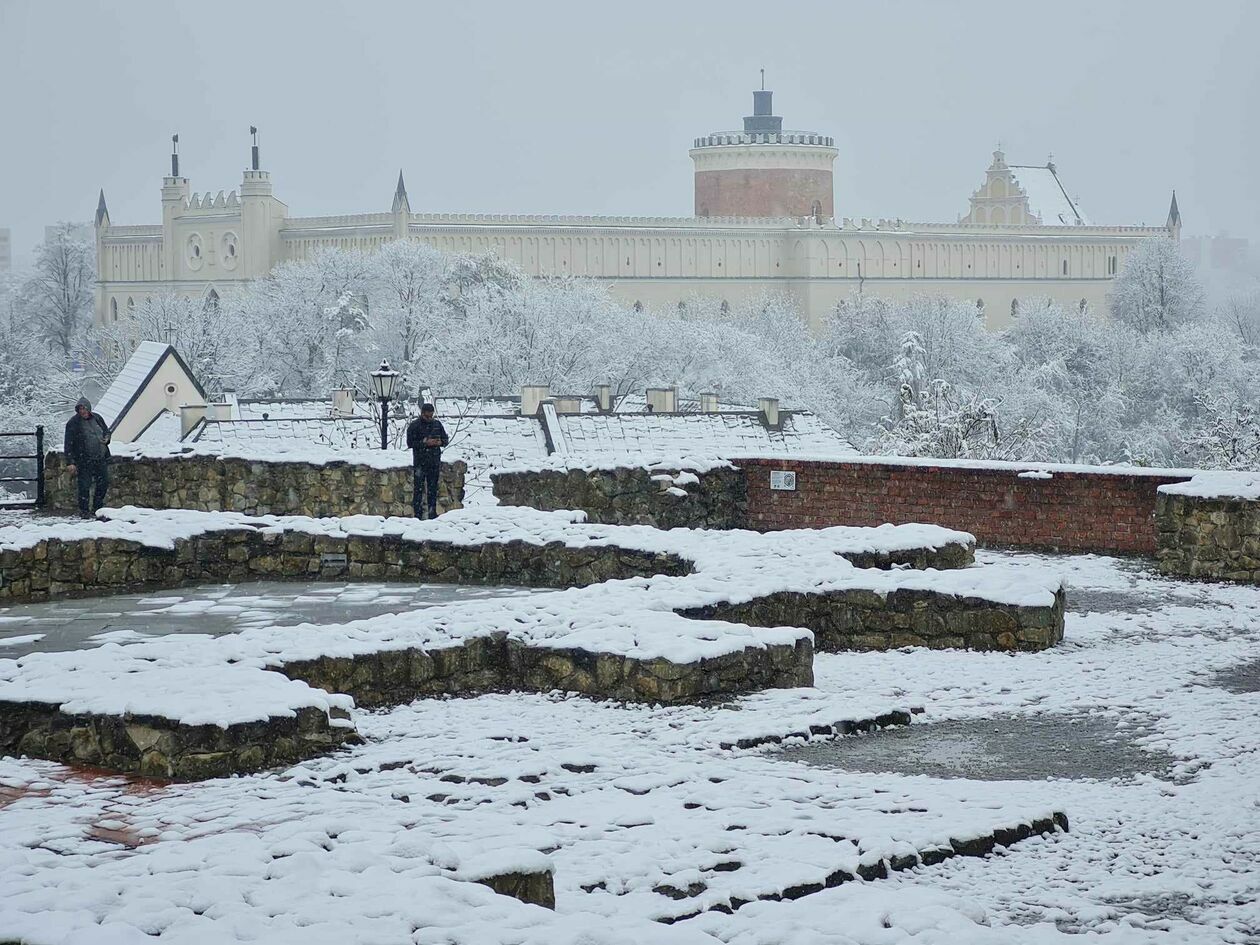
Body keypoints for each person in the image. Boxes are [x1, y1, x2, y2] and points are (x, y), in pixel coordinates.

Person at [64, 397, 111, 519]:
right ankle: (84, 511)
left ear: (89, 408)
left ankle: (97, 508)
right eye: (80, 409)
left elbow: (106, 431)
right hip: (84, 459)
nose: (82, 411)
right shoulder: (73, 423)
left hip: (100, 458)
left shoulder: (97, 418)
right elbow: (68, 444)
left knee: (103, 483)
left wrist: (106, 438)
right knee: (84, 486)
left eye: (84, 408)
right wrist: (70, 462)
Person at [405, 402, 448, 519]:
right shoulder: (414, 426)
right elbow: (410, 443)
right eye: (427, 416)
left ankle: (432, 513)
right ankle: (417, 514)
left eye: (431, 416)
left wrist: (439, 442)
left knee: (433, 489)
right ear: (422, 413)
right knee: (418, 490)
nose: (429, 418)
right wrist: (424, 442)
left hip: (434, 462)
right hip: (420, 461)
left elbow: (445, 439)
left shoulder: (437, 425)